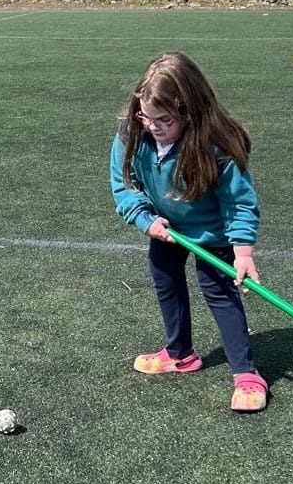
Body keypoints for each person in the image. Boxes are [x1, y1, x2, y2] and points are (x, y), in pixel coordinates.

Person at [109, 52, 268, 413]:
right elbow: (123, 184)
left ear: (189, 111)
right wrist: (145, 219)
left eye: (164, 120)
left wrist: (243, 252)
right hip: (165, 226)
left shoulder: (218, 145)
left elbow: (239, 203)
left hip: (213, 232)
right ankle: (180, 353)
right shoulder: (132, 131)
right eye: (145, 116)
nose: (152, 126)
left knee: (219, 292)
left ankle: (246, 374)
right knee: (164, 277)